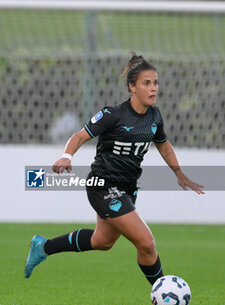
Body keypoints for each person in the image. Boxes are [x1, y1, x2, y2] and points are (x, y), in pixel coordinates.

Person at [24, 53, 204, 286]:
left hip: (127, 188)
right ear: (132, 87)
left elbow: (163, 145)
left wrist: (178, 172)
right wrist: (66, 156)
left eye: (155, 82)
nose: (153, 88)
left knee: (102, 241)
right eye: (146, 83)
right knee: (146, 243)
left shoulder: (154, 117)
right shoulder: (113, 115)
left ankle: (43, 246)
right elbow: (80, 136)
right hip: (103, 186)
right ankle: (165, 291)